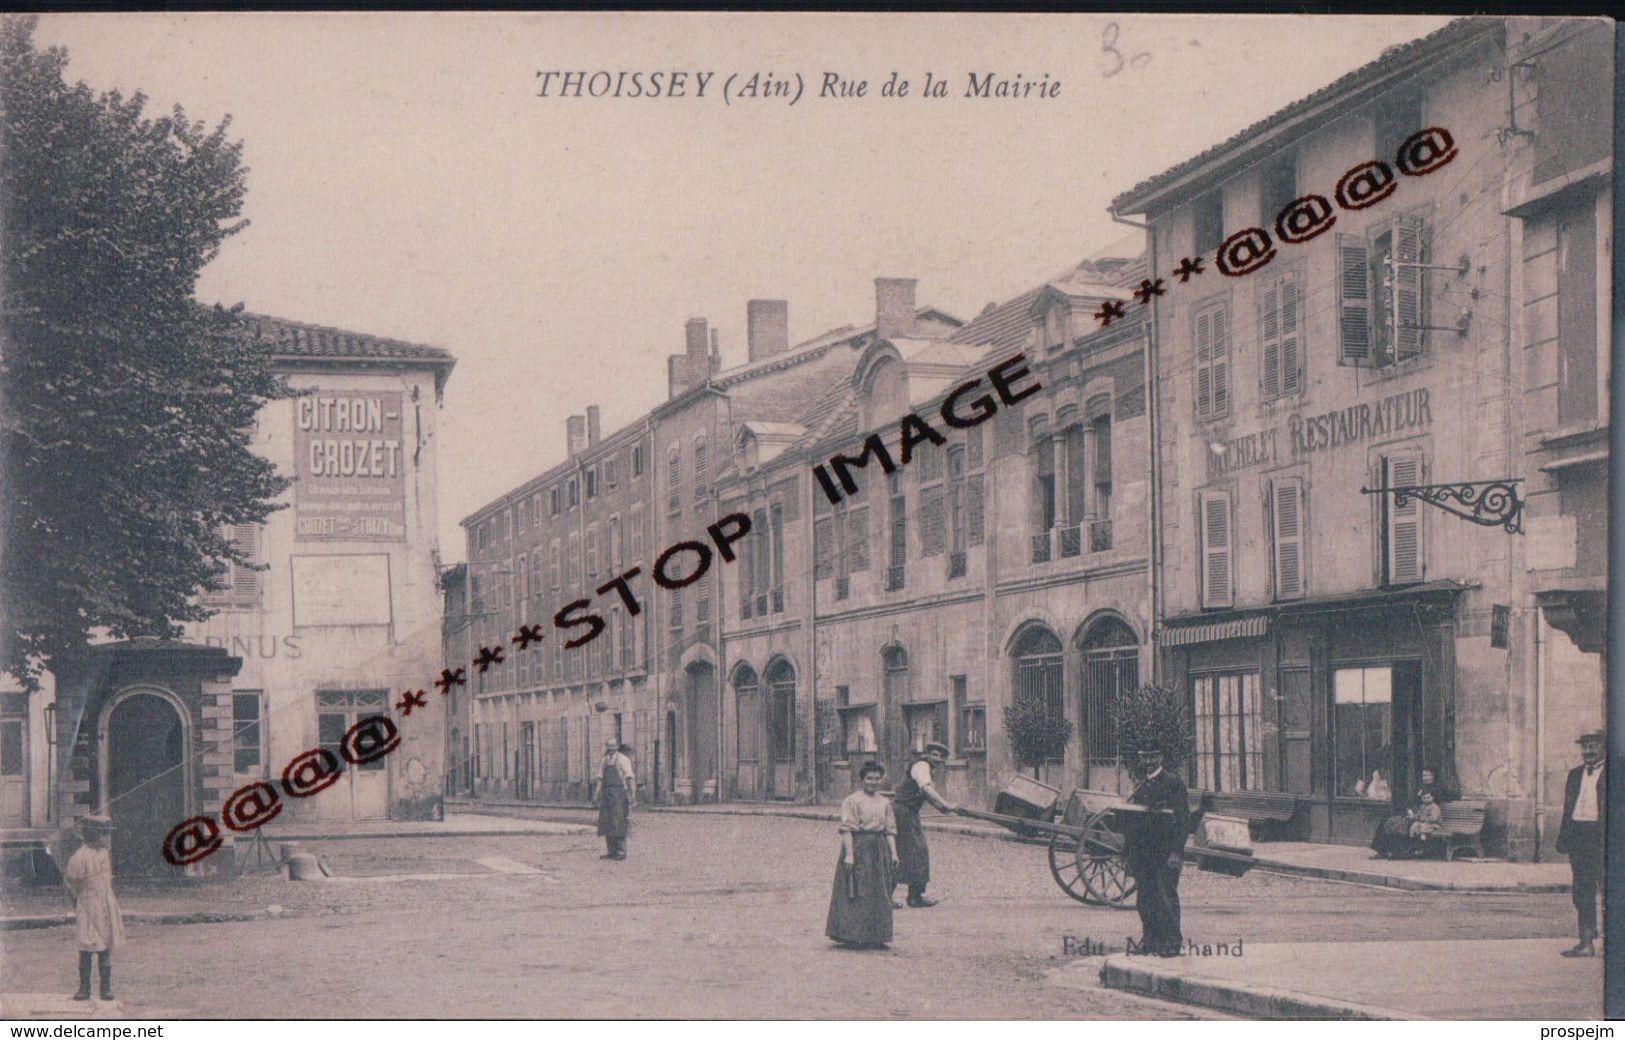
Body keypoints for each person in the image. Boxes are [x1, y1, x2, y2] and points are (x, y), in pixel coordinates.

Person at [1125, 746, 1190, 957]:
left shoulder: (1173, 783)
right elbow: (1134, 822)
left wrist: (1176, 853)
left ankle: (1171, 943)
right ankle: (1150, 941)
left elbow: (1182, 822)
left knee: (1166, 897)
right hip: (1143, 853)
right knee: (1145, 899)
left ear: (1161, 757)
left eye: (1153, 757)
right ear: (1141, 760)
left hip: (1165, 852)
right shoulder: (1141, 785)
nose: (1149, 762)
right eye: (1145, 758)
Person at [825, 761, 898, 949]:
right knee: (856, 891)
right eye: (869, 778)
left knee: (879, 891)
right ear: (862, 780)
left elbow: (890, 830)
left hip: (878, 849)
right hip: (858, 846)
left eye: (876, 778)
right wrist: (849, 854)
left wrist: (894, 854)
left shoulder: (885, 802)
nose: (873, 782)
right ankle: (853, 935)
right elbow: (847, 829)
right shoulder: (852, 800)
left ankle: (877, 936)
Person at [65, 814, 124, 1001]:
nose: (108, 839)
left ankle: (105, 988)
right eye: (104, 835)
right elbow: (71, 884)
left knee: (105, 946)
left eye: (108, 834)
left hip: (105, 904)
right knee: (86, 946)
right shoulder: (79, 857)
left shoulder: (104, 853)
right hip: (88, 906)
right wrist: (78, 902)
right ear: (92, 835)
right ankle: (84, 988)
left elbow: (107, 878)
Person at [891, 741, 956, 909]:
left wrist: (942, 808)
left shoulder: (926, 769)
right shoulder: (922, 766)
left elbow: (926, 795)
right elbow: (926, 790)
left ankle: (915, 896)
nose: (938, 759)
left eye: (941, 756)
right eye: (934, 755)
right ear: (926, 755)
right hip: (903, 813)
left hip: (909, 813)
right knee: (903, 852)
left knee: (917, 852)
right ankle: (890, 897)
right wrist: (945, 804)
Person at [1557, 730, 1605, 957]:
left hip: (1603, 838)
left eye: (1593, 746)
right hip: (1579, 836)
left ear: (1604, 747)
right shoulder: (1575, 774)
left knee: (1609, 890)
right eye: (1585, 747)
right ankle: (1586, 941)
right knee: (1582, 891)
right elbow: (1568, 809)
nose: (1589, 752)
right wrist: (1564, 837)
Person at [1371, 769, 1443, 859]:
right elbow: (1411, 801)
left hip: (1425, 819)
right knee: (1387, 821)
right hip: (1414, 815)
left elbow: (1444, 800)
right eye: (1423, 776)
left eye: (1428, 775)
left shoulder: (1438, 788)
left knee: (1402, 825)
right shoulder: (1420, 789)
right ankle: (1382, 850)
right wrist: (1409, 810)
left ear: (1433, 776)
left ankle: (1400, 852)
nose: (1425, 778)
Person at [595, 738, 636, 861]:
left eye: (613, 746)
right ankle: (611, 851)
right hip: (607, 793)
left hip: (619, 793)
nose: (611, 749)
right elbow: (600, 778)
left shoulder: (623, 760)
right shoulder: (604, 761)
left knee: (619, 822)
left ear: (617, 746)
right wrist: (597, 793)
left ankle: (621, 851)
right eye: (609, 746)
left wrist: (632, 794)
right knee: (607, 823)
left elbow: (629, 777)